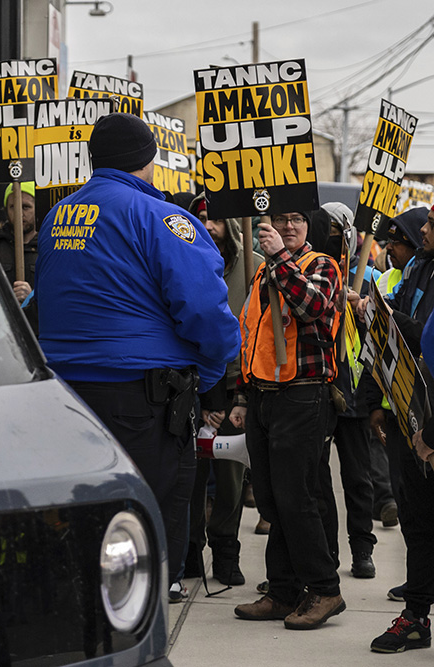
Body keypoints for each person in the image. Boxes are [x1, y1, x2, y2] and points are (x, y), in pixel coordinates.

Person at [35, 112, 240, 602]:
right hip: (142, 401)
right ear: (148, 160)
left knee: (85, 504)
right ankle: (135, 614)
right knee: (148, 511)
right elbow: (207, 312)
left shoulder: (57, 215)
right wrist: (209, 374)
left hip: (66, 396)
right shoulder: (162, 218)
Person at [230, 208, 346, 630]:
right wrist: (243, 396)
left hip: (302, 396)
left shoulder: (321, 266)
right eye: (280, 220)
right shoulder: (265, 273)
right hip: (264, 397)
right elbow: (253, 335)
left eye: (297, 220)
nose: (289, 227)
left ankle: (324, 589)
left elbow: (311, 305)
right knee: (273, 499)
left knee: (298, 498)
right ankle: (282, 591)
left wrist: (279, 259)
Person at [362, 204, 434, 652]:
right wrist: (376, 404)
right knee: (416, 518)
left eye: (431, 225)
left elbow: (424, 339)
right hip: (411, 416)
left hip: (429, 425)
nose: (424, 229)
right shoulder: (418, 268)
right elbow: (398, 342)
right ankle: (416, 613)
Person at [184, 192, 263, 586]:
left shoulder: (255, 268)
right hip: (194, 389)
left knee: (231, 480)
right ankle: (189, 553)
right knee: (191, 480)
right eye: (202, 219)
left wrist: (240, 396)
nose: (209, 227)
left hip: (237, 389)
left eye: (216, 219)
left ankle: (226, 554)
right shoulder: (183, 263)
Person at [307, 203, 380, 580]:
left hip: (356, 391)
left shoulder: (369, 275)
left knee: (358, 477)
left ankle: (362, 548)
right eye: (327, 231)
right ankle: (327, 553)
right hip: (322, 386)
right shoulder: (313, 271)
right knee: (317, 480)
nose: (333, 239)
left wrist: (365, 308)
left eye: (339, 232)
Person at [0, 181, 39, 332]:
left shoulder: (47, 247)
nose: (19, 213)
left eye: (26, 207)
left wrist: (31, 299)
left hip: (36, 333)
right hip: (1, 331)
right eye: (13, 207)